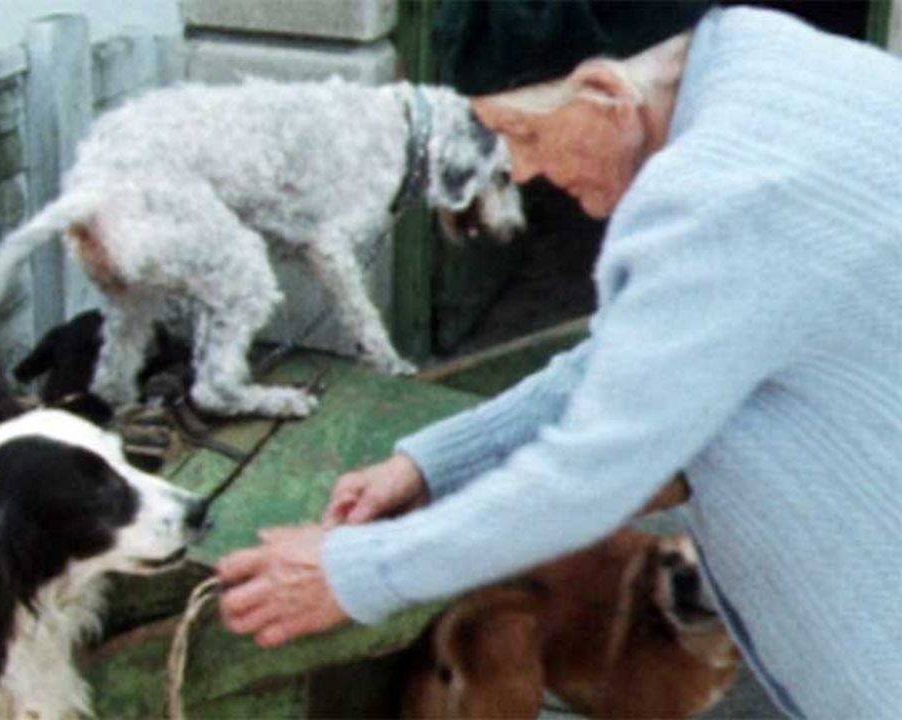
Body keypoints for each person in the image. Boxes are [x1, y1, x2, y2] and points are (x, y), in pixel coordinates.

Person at [216, 6, 902, 717]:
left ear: (606, 93)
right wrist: (434, 464)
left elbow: (594, 471)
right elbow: (638, 354)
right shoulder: (770, 60)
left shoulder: (714, 196)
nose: (520, 170)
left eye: (524, 133)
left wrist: (356, 575)